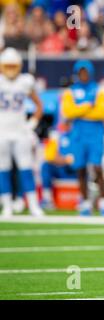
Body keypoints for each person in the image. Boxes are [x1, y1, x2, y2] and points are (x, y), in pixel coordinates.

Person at [61, 60, 104, 216]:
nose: (83, 75)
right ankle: (85, 202)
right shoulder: (70, 92)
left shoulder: (99, 90)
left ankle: (103, 203)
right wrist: (88, 106)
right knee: (81, 169)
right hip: (78, 136)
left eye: (86, 72)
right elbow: (67, 112)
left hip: (96, 135)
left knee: (97, 168)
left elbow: (102, 112)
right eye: (81, 72)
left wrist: (79, 110)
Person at [0, 47, 44, 218]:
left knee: (26, 168)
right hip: (2, 132)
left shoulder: (25, 81)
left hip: (20, 132)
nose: (11, 70)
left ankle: (33, 205)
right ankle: (7, 205)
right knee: (3, 170)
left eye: (13, 66)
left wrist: (31, 124)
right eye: (7, 66)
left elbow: (39, 106)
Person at [40, 122, 77, 209]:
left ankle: (84, 200)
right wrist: (65, 160)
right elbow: (50, 156)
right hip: (61, 167)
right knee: (46, 166)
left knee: (84, 167)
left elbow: (81, 156)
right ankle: (47, 199)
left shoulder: (78, 136)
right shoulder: (56, 137)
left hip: (76, 168)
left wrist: (69, 160)